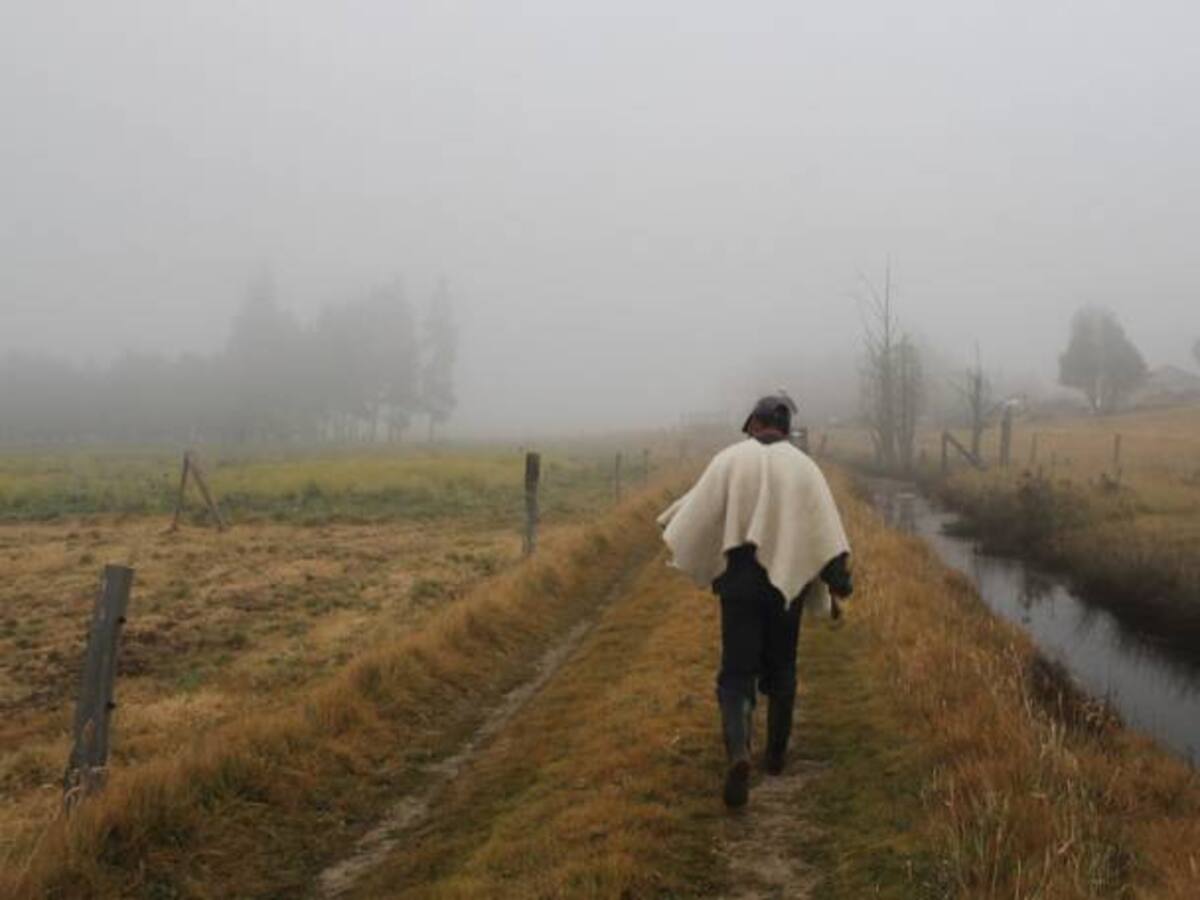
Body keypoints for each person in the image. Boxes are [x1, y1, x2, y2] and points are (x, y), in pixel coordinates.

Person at [657, 394, 853, 809]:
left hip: (739, 585)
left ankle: (739, 754)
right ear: (784, 426)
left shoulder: (728, 460)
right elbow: (826, 531)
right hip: (788, 588)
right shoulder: (805, 468)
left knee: (736, 674)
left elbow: (699, 511)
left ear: (755, 423)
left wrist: (679, 530)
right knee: (783, 667)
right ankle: (776, 757)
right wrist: (839, 583)